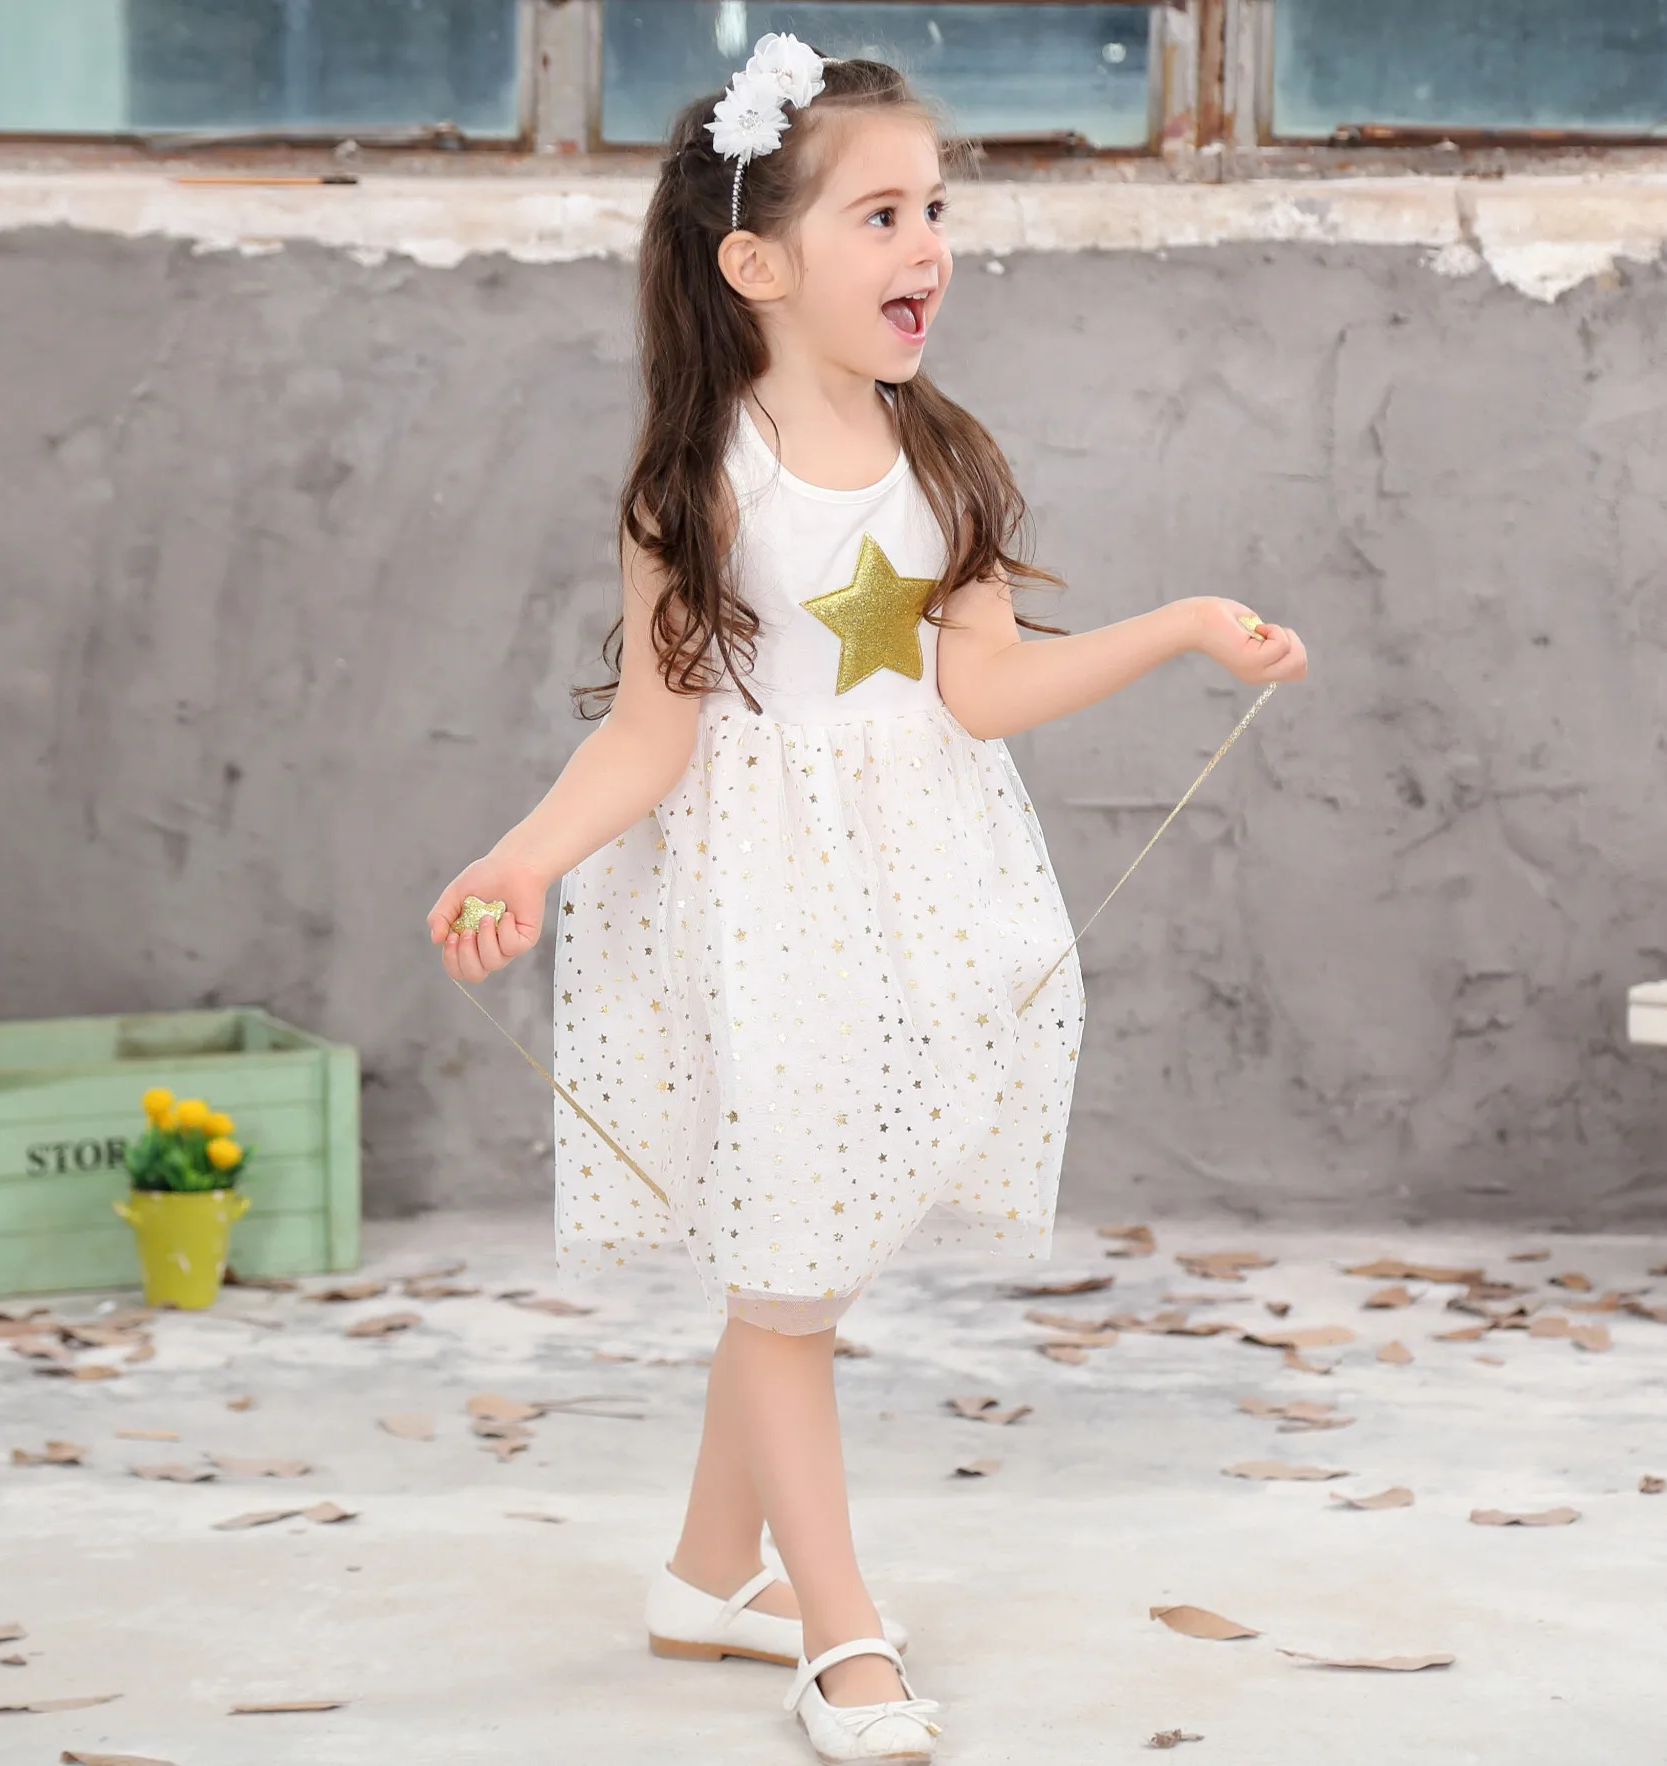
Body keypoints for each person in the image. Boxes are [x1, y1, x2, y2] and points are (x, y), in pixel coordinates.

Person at [429, 32, 1307, 1765]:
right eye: (882, 214)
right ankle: (840, 1636)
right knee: (788, 1277)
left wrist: (1183, 628)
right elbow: (651, 732)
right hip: (760, 909)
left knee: (796, 1259)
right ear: (757, 265)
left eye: (936, 210)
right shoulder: (696, 483)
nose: (929, 248)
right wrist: (523, 853)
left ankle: (706, 1574)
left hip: (916, 889)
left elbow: (979, 688)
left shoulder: (941, 453)